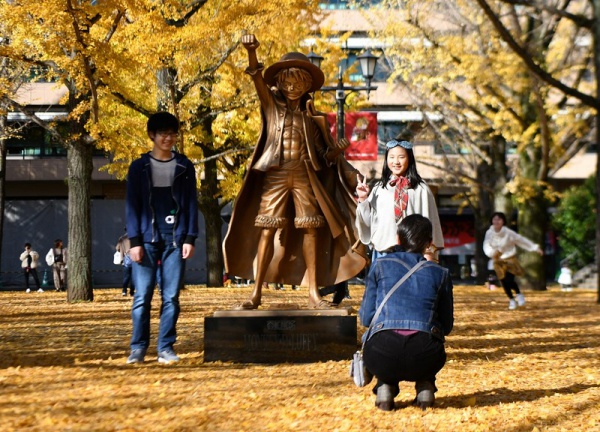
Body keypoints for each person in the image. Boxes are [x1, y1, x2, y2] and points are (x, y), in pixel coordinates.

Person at [223, 34, 367, 310]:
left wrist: (335, 151)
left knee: (311, 230)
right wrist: (252, 52)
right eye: (287, 82)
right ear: (278, 83)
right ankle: (256, 294)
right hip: (275, 175)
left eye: (298, 83)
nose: (291, 87)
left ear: (307, 86)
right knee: (266, 229)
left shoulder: (313, 118)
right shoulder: (270, 106)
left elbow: (323, 157)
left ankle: (314, 294)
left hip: (304, 176)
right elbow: (256, 77)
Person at [125, 111, 199, 364]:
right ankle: (138, 348)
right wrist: (134, 242)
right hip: (145, 238)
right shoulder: (138, 167)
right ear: (152, 135)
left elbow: (190, 203)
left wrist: (190, 237)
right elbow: (132, 205)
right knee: (142, 296)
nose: (168, 138)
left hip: (175, 239)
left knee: (171, 297)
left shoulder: (184, 166)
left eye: (172, 133)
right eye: (163, 134)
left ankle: (165, 347)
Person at [359, 214, 453, 411]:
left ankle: (385, 385)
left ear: (398, 239)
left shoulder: (379, 266)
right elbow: (447, 326)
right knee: (427, 341)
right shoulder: (441, 273)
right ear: (429, 244)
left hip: (380, 355)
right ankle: (425, 385)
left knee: (386, 348)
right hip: (426, 357)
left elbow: (366, 317)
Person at [355, 139, 444, 263]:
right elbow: (368, 223)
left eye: (401, 157)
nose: (396, 162)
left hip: (413, 253)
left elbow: (429, 222)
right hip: (384, 252)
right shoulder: (379, 188)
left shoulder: (421, 189)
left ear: (410, 159)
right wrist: (363, 198)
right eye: (391, 157)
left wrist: (429, 252)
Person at [483, 212, 544, 310]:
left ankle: (519, 294)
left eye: (499, 219)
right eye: (495, 219)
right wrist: (491, 253)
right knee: (503, 281)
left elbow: (521, 240)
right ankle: (511, 299)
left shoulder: (508, 233)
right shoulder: (489, 233)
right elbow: (486, 245)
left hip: (509, 259)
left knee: (509, 279)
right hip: (497, 260)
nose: (497, 221)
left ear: (503, 221)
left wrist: (535, 248)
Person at [116, 229, 135, 297]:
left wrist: (123, 249)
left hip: (126, 259)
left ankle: (124, 291)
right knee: (133, 277)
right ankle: (132, 292)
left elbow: (117, 248)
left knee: (126, 277)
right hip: (134, 259)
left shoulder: (122, 238)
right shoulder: (134, 237)